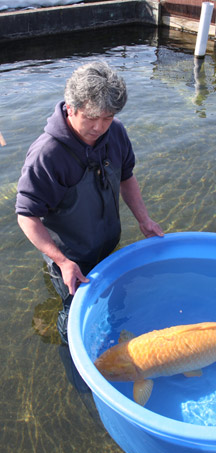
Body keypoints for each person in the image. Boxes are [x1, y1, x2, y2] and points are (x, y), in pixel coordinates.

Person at [16, 61, 164, 344]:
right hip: (71, 258)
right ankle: (75, 366)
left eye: (107, 117)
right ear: (70, 108)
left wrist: (144, 219)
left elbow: (126, 177)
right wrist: (62, 261)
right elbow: (26, 216)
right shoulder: (47, 155)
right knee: (74, 317)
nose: (99, 127)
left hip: (107, 244)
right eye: (91, 117)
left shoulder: (116, 132)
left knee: (115, 302)